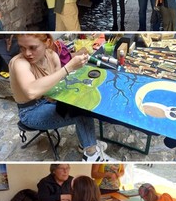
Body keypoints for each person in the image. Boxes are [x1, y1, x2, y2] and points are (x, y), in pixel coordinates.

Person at [9, 34, 114, 162]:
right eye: (22, 47)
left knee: (84, 102)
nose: (27, 53)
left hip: (49, 100)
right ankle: (91, 154)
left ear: (47, 43)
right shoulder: (19, 63)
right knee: (81, 111)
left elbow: (59, 87)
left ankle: (86, 143)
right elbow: (31, 91)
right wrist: (68, 67)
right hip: (30, 112)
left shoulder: (52, 56)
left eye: (32, 47)